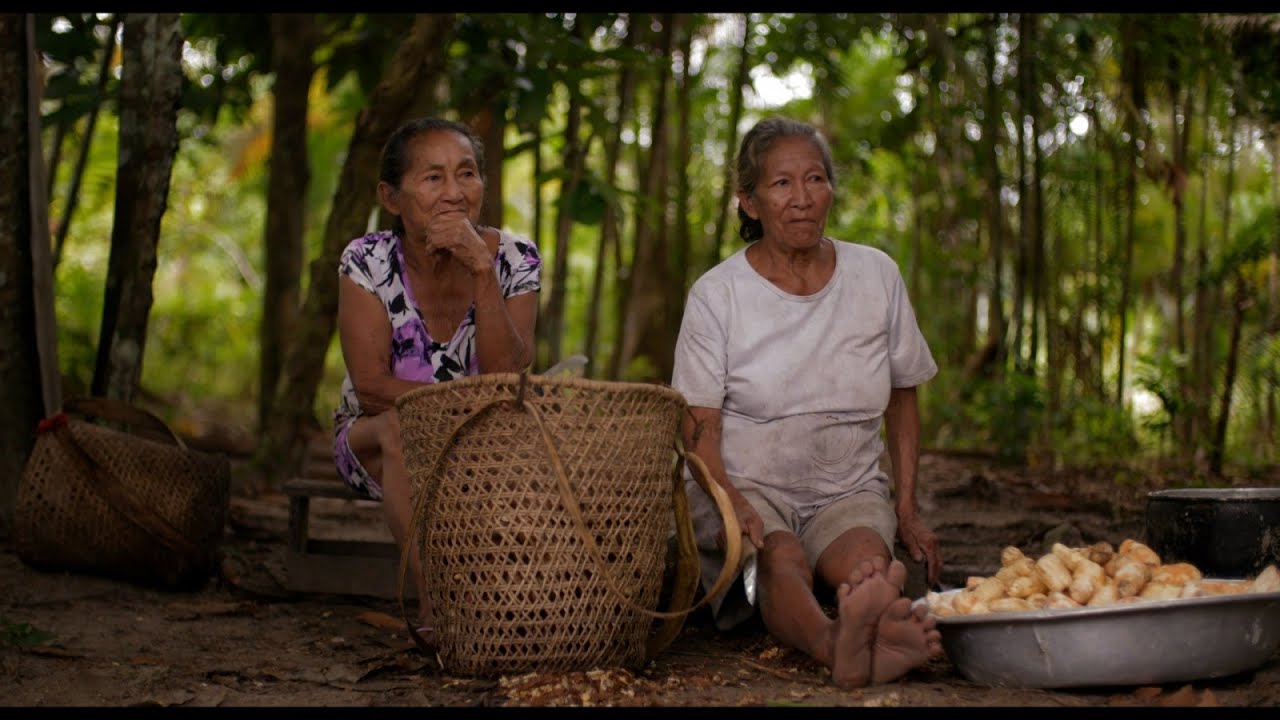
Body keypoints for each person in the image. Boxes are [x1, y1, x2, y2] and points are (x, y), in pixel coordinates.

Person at [671, 116, 943, 688]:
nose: (802, 199)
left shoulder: (876, 275)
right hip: (747, 483)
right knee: (781, 557)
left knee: (867, 560)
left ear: (831, 190)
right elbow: (698, 430)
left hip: (845, 485)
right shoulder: (718, 296)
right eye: (780, 185)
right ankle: (834, 644)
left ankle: (872, 611)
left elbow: (902, 396)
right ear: (748, 201)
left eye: (815, 179)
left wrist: (908, 506)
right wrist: (730, 502)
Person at [332, 117, 542, 641]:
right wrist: (465, 407)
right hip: (379, 438)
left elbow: (507, 378)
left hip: (483, 447)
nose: (454, 193)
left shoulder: (515, 260)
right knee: (402, 430)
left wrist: (480, 270)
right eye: (432, 179)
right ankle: (437, 605)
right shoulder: (368, 260)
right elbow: (373, 389)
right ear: (391, 197)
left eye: (466, 174)